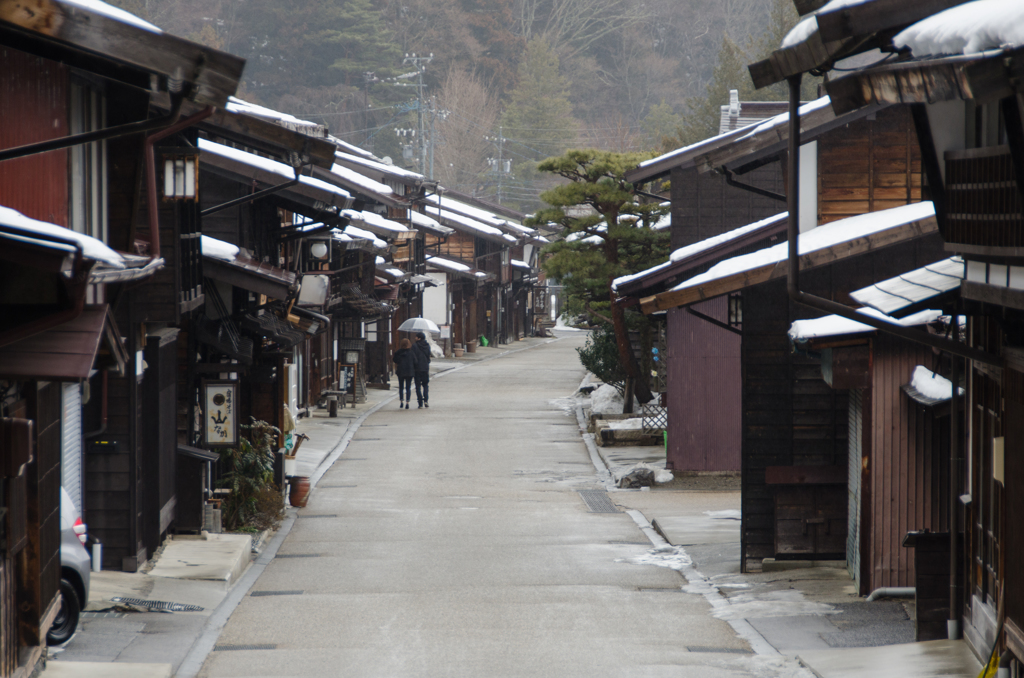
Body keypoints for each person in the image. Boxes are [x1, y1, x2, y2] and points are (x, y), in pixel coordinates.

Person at [392, 338, 421, 409]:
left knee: (401, 387)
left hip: (400, 371)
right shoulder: (411, 353)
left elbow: (395, 360)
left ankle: (401, 401)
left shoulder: (398, 352)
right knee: (408, 387)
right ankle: (407, 402)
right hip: (409, 371)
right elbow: (415, 362)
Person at [413, 331, 432, 408]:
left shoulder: (414, 346)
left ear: (419, 338)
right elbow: (428, 356)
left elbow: (413, 357)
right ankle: (426, 400)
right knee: (425, 385)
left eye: (416, 337)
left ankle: (420, 402)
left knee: (418, 386)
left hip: (417, 368)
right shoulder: (427, 346)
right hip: (425, 367)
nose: (415, 338)